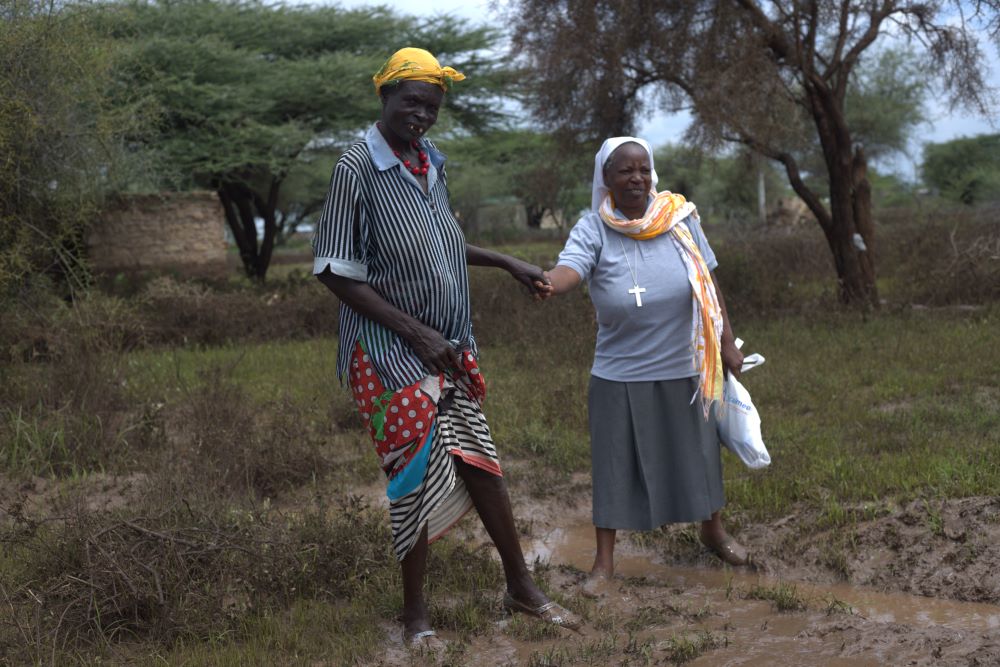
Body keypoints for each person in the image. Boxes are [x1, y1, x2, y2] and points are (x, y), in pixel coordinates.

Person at [311, 47, 580, 648]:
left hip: (445, 345)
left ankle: (521, 587)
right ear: (384, 96)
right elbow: (332, 270)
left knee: (481, 461)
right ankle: (415, 617)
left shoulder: (431, 160)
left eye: (430, 106)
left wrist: (507, 261)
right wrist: (416, 332)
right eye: (411, 102)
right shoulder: (356, 166)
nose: (421, 115)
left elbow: (445, 240)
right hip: (387, 353)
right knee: (413, 475)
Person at [543, 137, 749, 581]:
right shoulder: (592, 228)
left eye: (643, 169)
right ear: (606, 178)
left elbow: (708, 286)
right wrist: (547, 282)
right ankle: (604, 563)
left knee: (700, 455)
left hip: (686, 362)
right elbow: (570, 270)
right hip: (619, 371)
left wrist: (728, 342)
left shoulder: (680, 218)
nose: (636, 178)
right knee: (615, 462)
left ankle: (713, 531)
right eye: (625, 170)